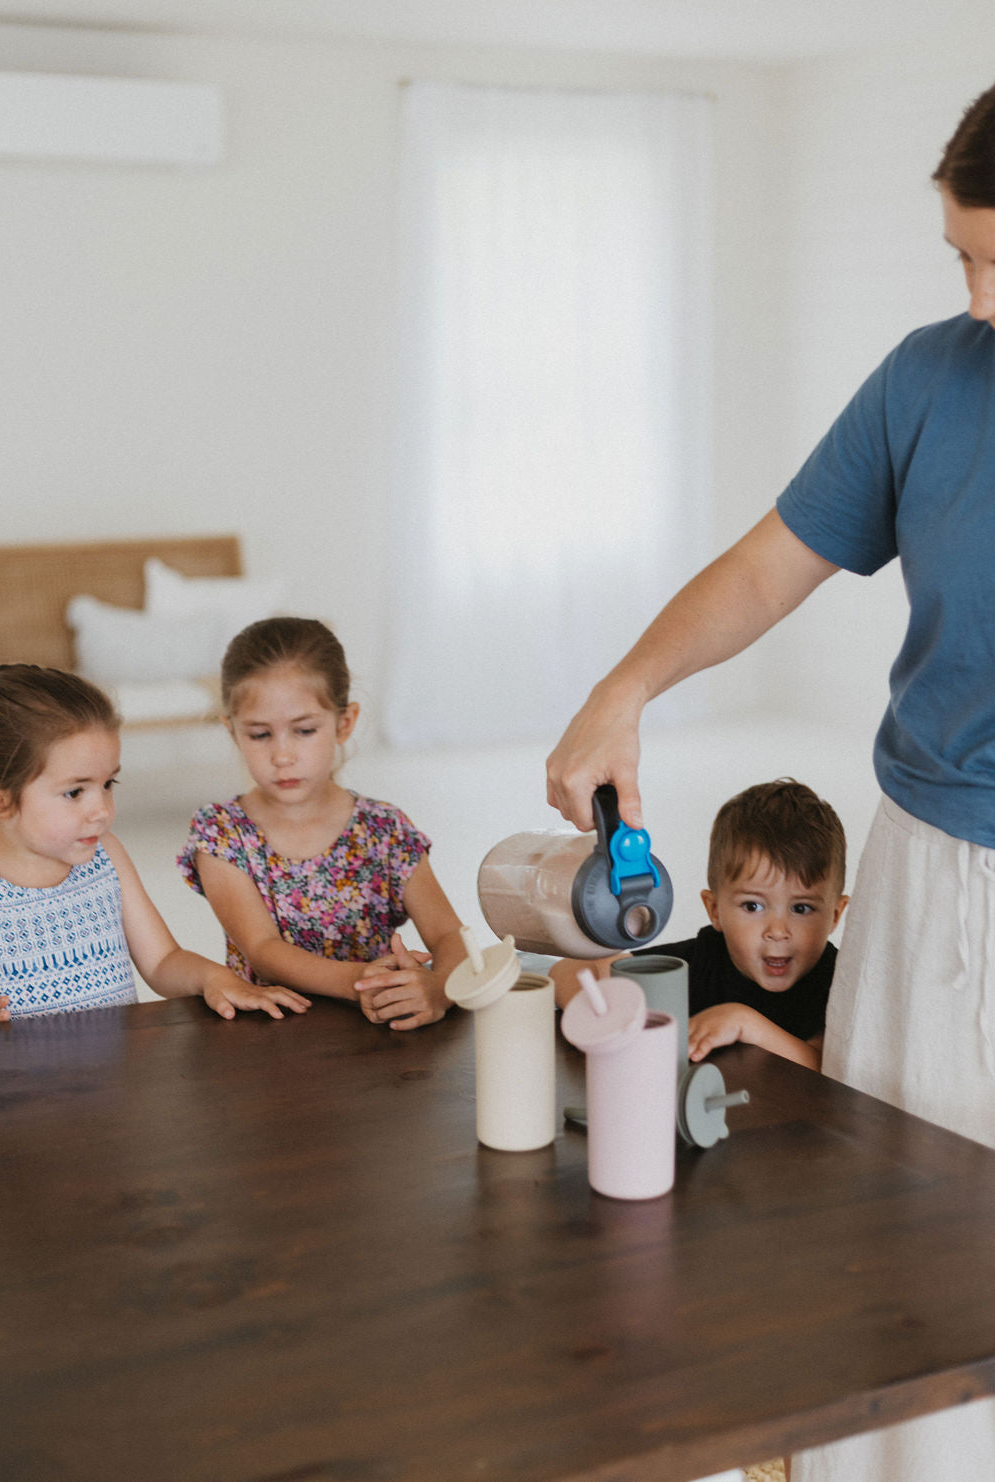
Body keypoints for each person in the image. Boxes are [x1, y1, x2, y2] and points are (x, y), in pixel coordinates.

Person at [547, 81, 995, 1482]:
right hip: (931, 849)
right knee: (903, 1226)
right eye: (962, 258)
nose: (978, 298)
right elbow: (763, 564)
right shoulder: (932, 374)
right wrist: (625, 689)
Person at [0, 664, 309, 1026]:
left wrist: (217, 978)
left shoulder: (107, 855)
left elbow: (162, 961)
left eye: (107, 784)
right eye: (74, 792)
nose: (101, 810)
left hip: (120, 1080)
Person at [177, 616, 465, 1030]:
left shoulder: (384, 829)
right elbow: (262, 949)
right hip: (268, 1041)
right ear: (232, 731)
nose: (282, 755)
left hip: (378, 1040)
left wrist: (440, 989)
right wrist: (360, 982)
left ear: (344, 723)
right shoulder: (222, 833)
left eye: (304, 730)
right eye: (259, 735)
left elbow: (450, 937)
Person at [553, 779, 848, 1072]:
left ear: (835, 915)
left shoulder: (840, 982)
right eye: (753, 906)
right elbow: (566, 972)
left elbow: (829, 1071)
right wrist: (608, 1000)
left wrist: (745, 1023)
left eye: (801, 908)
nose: (778, 930)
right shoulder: (705, 958)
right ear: (715, 910)